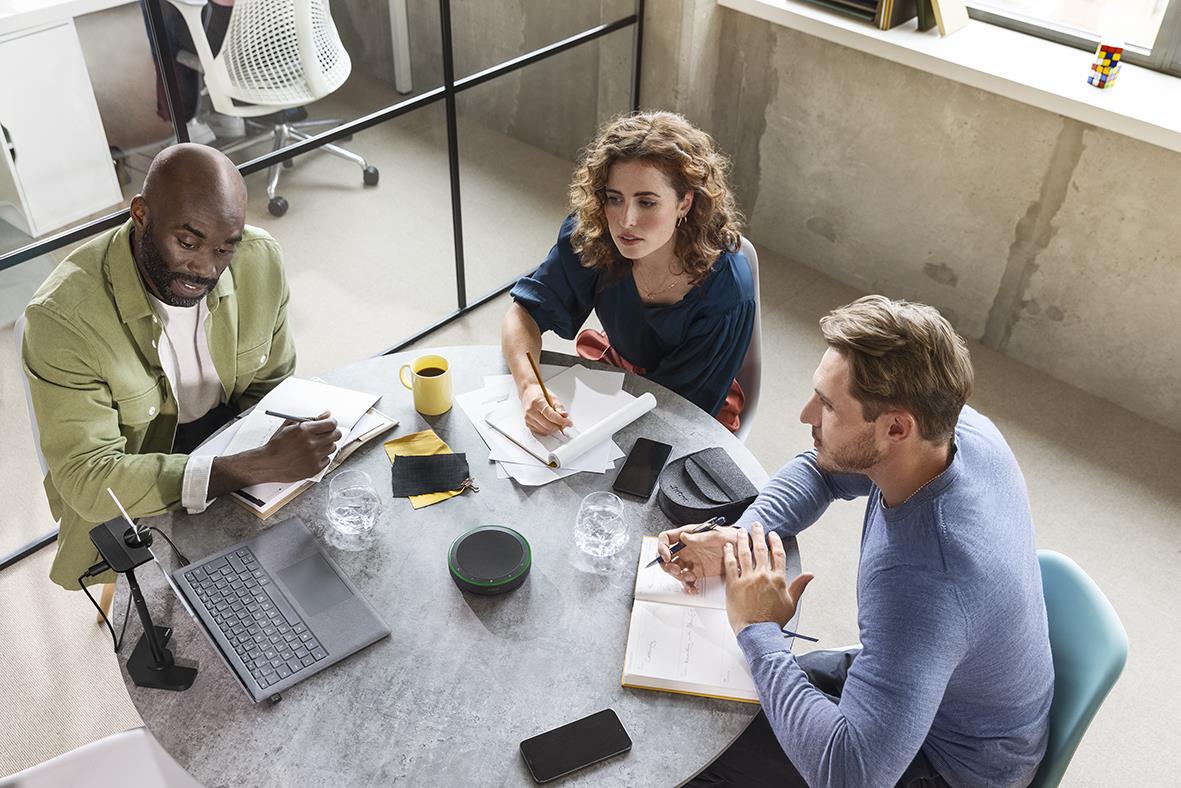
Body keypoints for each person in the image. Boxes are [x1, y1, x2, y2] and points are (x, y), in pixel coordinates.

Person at [658, 296, 1054, 787]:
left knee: (695, 756)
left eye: (826, 406)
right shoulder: (954, 430)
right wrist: (741, 540)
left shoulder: (924, 583)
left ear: (895, 427)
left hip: (952, 766)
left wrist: (758, 626)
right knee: (718, 697)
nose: (806, 415)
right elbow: (819, 470)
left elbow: (851, 775)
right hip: (936, 684)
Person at [22, 143, 339, 591]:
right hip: (138, 471)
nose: (206, 269)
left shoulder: (259, 260)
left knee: (322, 557)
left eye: (224, 249)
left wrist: (274, 452)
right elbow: (90, 480)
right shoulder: (63, 320)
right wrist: (247, 468)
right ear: (141, 216)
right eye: (187, 243)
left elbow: (273, 385)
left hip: (233, 434)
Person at [501, 111, 755, 434]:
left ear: (685, 203)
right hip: (618, 383)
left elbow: (675, 414)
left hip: (685, 407)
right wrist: (529, 388)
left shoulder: (727, 290)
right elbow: (522, 315)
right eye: (614, 199)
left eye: (646, 202)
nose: (626, 220)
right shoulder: (595, 238)